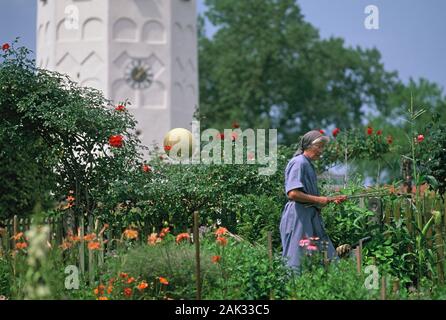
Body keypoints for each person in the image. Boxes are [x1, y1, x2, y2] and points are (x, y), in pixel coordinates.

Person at [280, 130, 349, 270]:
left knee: (328, 257)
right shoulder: (298, 162)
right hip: (298, 216)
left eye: (322, 147)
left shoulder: (308, 164)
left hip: (309, 215)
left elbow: (309, 196)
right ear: (307, 145)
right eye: (319, 146)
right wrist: (319, 200)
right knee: (296, 262)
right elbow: (293, 193)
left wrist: (330, 199)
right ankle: (290, 291)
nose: (321, 151)